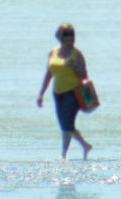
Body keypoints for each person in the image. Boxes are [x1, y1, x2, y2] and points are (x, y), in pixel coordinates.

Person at [36, 23, 93, 160]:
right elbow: (48, 74)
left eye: (71, 35)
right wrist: (41, 94)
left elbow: (84, 76)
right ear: (60, 37)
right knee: (65, 124)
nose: (69, 38)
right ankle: (85, 145)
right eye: (66, 35)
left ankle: (63, 154)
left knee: (67, 124)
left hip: (73, 93)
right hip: (57, 93)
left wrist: (75, 67)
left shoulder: (77, 55)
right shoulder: (53, 52)